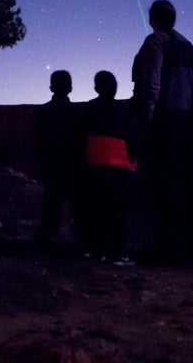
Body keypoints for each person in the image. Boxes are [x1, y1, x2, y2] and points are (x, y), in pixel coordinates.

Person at [131, 0, 193, 265]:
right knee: (184, 183)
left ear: (152, 19)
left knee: (164, 184)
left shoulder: (155, 42)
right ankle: (189, 248)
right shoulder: (186, 44)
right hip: (186, 119)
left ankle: (168, 248)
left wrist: (147, 117)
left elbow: (151, 81)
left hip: (164, 120)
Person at [80, 70, 137, 264]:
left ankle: (96, 250)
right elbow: (133, 136)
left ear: (96, 88)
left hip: (94, 164)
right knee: (118, 212)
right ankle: (119, 252)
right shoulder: (123, 109)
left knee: (95, 209)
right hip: (119, 166)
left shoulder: (89, 108)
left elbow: (80, 135)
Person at [32, 69, 83, 249]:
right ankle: (84, 243)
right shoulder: (76, 112)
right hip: (72, 164)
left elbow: (37, 139)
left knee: (51, 204)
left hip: (52, 164)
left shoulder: (43, 111)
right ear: (70, 87)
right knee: (78, 205)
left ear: (51, 87)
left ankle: (43, 241)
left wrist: (40, 161)